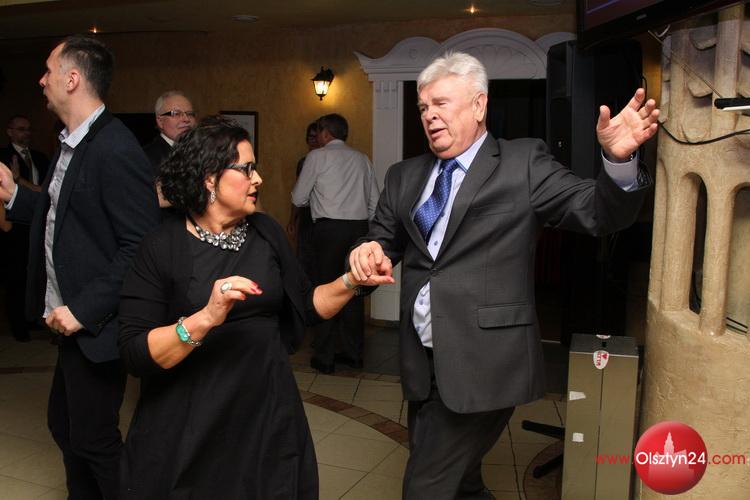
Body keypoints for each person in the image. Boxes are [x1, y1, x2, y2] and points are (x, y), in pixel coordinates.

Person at [348, 51, 659, 498]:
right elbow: (381, 239)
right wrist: (367, 251)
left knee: (425, 486)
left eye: (441, 103)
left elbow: (597, 212)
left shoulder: (523, 162)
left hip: (485, 362)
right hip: (423, 363)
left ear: (479, 105)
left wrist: (617, 162)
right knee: (462, 483)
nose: (430, 115)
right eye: (423, 107)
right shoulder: (403, 175)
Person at [118, 116, 377, 499]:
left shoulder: (266, 231)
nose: (258, 179)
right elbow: (135, 352)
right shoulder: (161, 247)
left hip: (265, 408)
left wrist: (353, 279)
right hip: (192, 417)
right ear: (209, 178)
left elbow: (306, 305)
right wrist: (206, 317)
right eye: (246, 169)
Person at [0, 35, 160, 499]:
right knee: (66, 427)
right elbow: (63, 214)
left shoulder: (114, 146)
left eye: (48, 70)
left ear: (72, 79)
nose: (41, 80)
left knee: (93, 439)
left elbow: (140, 245)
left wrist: (84, 310)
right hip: (72, 324)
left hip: (95, 325)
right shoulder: (72, 143)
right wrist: (14, 196)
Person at [291, 113, 380, 374]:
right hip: (359, 230)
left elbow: (298, 198)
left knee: (325, 289)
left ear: (326, 133)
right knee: (354, 288)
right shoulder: (362, 159)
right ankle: (353, 354)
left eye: (319, 132)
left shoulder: (316, 157)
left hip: (328, 231)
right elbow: (375, 203)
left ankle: (325, 357)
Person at [0, 115, 49, 341]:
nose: (26, 133)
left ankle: (32, 319)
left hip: (37, 225)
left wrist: (20, 181)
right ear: (9, 132)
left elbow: (48, 191)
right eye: (20, 129)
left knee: (36, 274)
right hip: (13, 228)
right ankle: (19, 325)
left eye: (28, 129)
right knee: (16, 278)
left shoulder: (40, 157)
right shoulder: (3, 158)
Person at [142, 90, 197, 207]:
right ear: (160, 121)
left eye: (190, 114)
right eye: (176, 114)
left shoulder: (203, 151)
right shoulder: (146, 158)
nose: (186, 119)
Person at [287, 121, 319, 279]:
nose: (313, 141)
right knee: (304, 260)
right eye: (310, 137)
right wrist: (292, 220)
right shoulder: (304, 162)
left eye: (316, 137)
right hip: (306, 215)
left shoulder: (329, 161)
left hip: (323, 218)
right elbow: (298, 194)